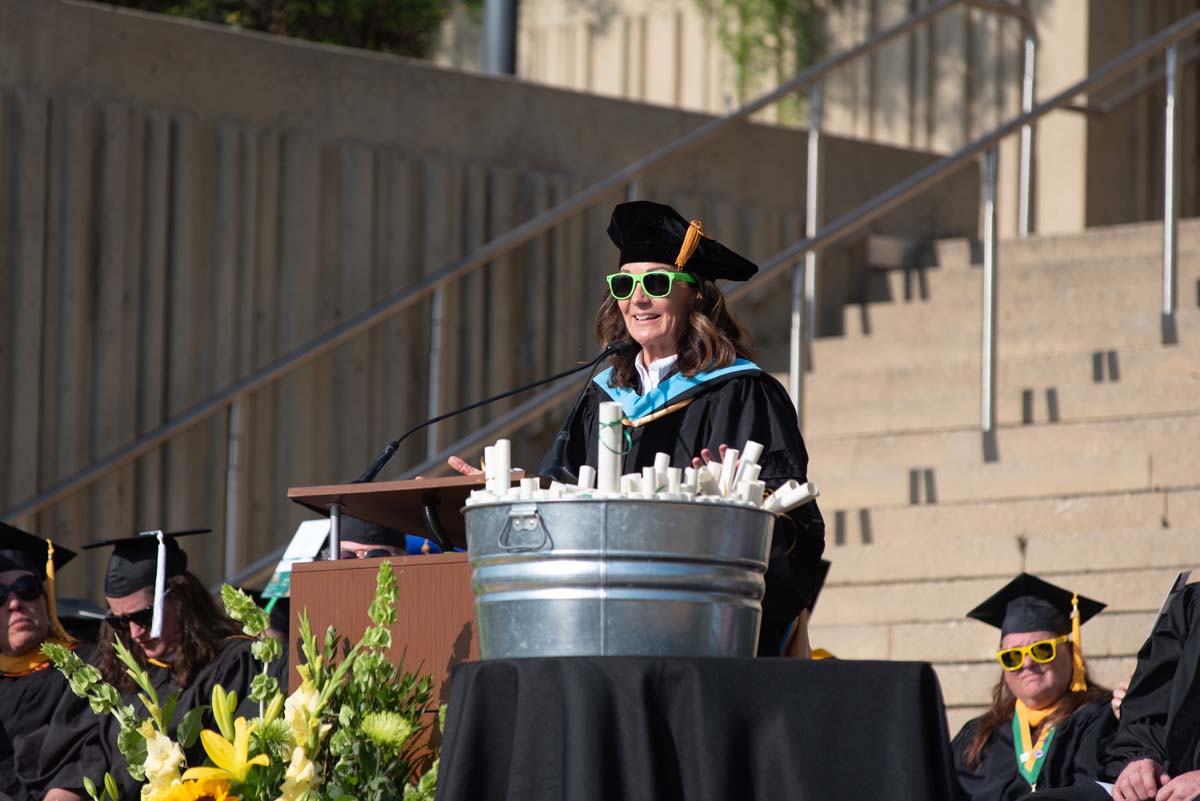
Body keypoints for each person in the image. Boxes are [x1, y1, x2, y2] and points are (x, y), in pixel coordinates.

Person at [449, 200, 825, 655]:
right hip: (599, 628)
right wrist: (518, 489)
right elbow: (569, 491)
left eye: (657, 282)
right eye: (625, 284)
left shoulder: (744, 393)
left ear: (696, 295)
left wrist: (734, 503)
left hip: (696, 634)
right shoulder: (602, 395)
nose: (638, 298)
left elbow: (797, 521)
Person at [29, 529, 283, 800]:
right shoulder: (110, 674)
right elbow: (76, 773)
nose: (135, 632)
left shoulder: (233, 663)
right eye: (120, 621)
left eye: (144, 615)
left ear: (182, 598)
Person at [952, 573, 1116, 801]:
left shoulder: (1102, 719)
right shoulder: (978, 737)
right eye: (1012, 657)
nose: (1027, 663)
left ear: (1070, 651)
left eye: (1042, 650)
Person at [0, 523, 81, 801]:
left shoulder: (84, 669)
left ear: (46, 600)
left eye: (26, 588)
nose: (14, 603)